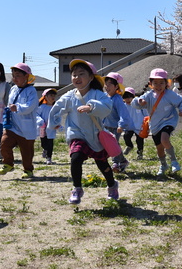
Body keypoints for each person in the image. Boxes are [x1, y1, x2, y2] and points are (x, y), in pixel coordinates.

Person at [48, 60, 117, 204]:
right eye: (74, 75)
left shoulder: (98, 94)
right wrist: (54, 123)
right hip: (76, 134)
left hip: (95, 136)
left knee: (103, 165)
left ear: (91, 77)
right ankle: (77, 188)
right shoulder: (69, 95)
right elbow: (56, 108)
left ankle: (112, 185)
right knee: (76, 158)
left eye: (81, 74)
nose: (76, 78)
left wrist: (91, 107)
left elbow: (107, 107)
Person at [133, 68, 182, 177]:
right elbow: (136, 103)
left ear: (166, 83)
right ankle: (163, 165)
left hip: (169, 121)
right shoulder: (148, 95)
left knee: (164, 139)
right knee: (159, 148)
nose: (158, 86)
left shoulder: (170, 94)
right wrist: (139, 101)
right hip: (155, 125)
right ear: (150, 84)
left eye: (161, 83)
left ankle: (174, 161)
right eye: (155, 83)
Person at [0, 63, 39, 179]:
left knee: (27, 152)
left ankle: (28, 170)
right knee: (4, 144)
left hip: (26, 127)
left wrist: (18, 108)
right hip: (12, 125)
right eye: (13, 75)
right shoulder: (13, 89)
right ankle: (8, 164)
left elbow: (31, 106)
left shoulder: (31, 91)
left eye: (18, 75)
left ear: (27, 77)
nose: (14, 78)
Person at [103, 72, 131, 173]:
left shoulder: (117, 99)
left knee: (113, 143)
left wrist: (121, 125)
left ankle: (115, 162)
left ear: (116, 87)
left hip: (116, 127)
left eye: (110, 84)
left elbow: (123, 113)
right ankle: (122, 161)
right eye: (106, 83)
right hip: (106, 126)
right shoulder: (105, 97)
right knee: (109, 144)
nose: (107, 86)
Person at [121, 87, 146, 160]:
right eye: (125, 98)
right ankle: (129, 146)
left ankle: (140, 153)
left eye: (129, 98)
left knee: (139, 140)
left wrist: (147, 122)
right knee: (126, 136)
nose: (127, 100)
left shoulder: (138, 105)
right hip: (129, 126)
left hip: (139, 125)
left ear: (133, 97)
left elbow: (145, 113)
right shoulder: (123, 106)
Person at [36, 88, 58, 165]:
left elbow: (58, 116)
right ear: (45, 97)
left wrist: (57, 124)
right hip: (42, 128)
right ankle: (45, 149)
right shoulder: (42, 107)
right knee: (43, 143)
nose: (53, 97)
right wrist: (40, 121)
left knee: (50, 143)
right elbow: (36, 115)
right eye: (51, 95)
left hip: (51, 128)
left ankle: (49, 158)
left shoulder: (55, 107)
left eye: (54, 95)